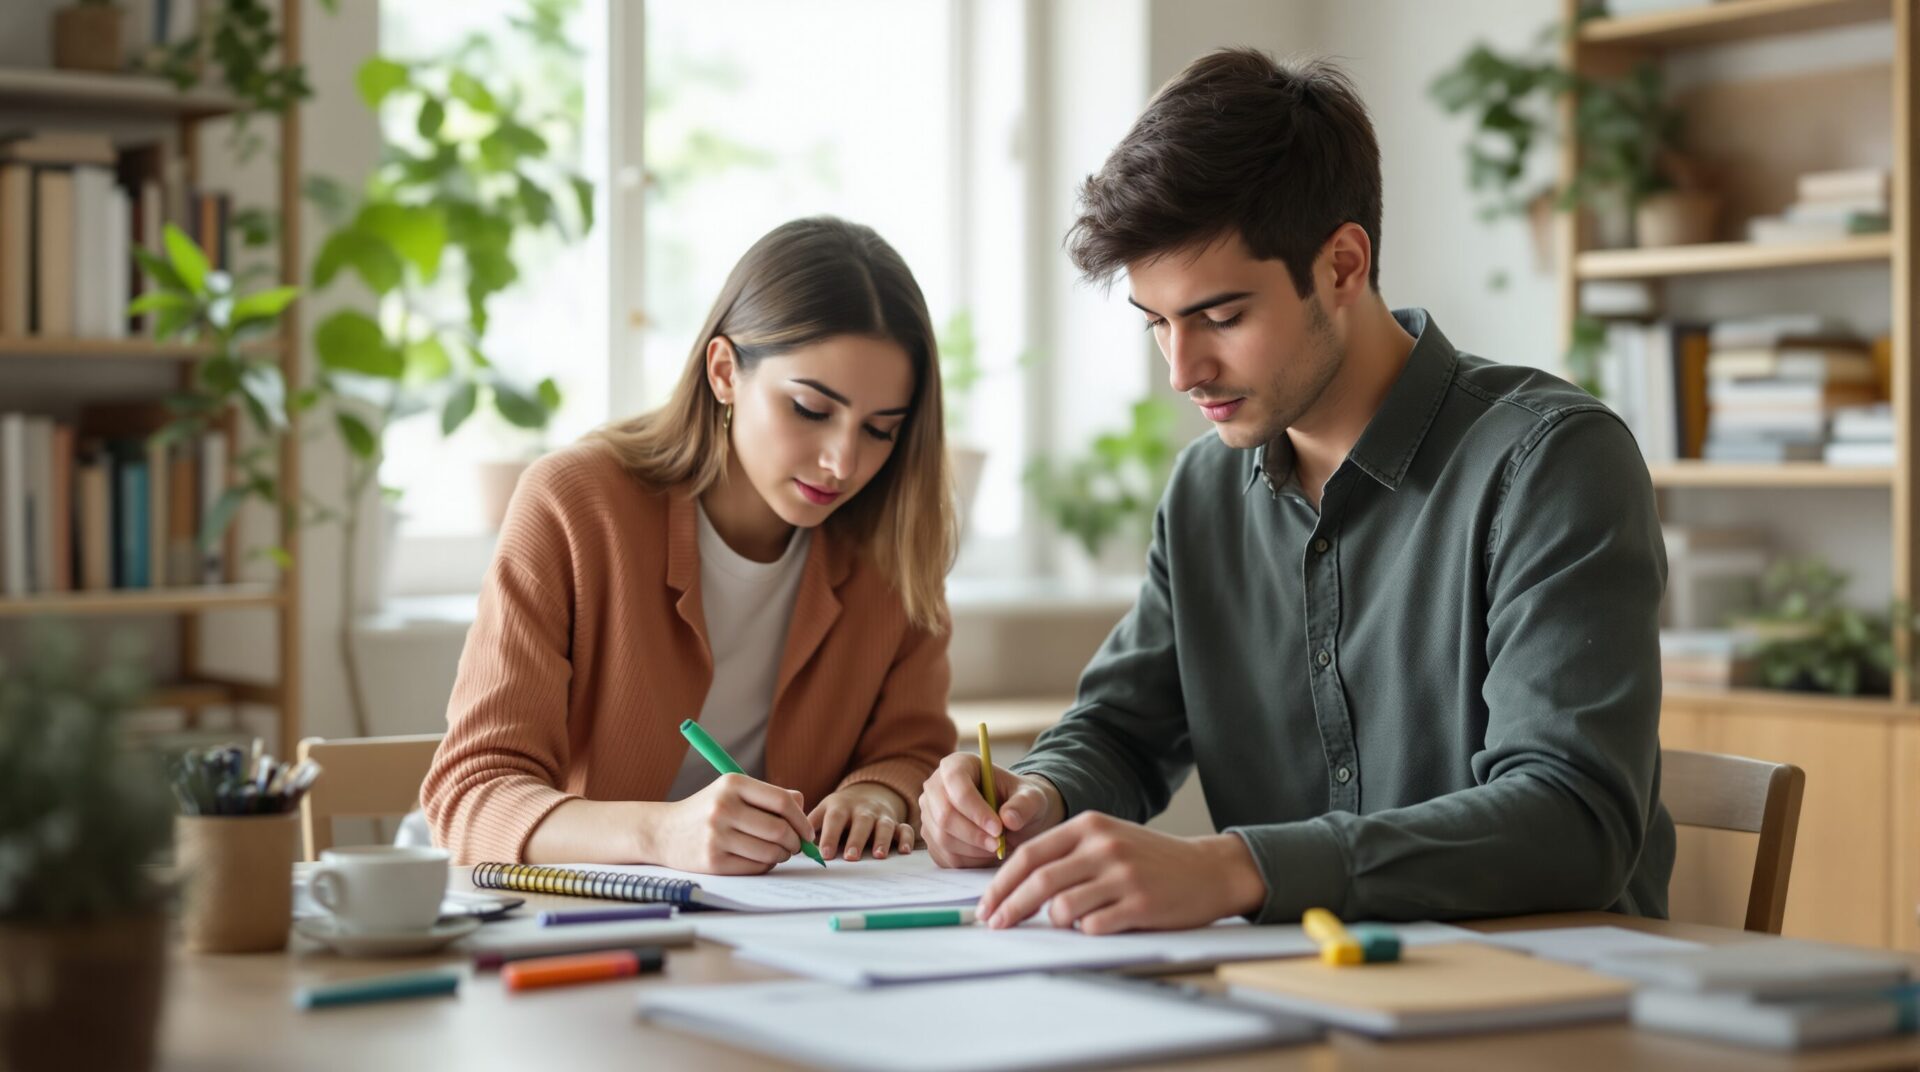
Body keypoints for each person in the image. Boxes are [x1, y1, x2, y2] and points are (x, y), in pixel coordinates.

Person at [919, 49, 1674, 932]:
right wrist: (1036, 794)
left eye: (1222, 316)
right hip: (1296, 999)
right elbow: (1124, 728)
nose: (1182, 370)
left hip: (1545, 1003)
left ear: (1343, 266)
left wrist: (1242, 868)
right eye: (1157, 322)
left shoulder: (1551, 463)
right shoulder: (1206, 489)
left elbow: (1573, 821)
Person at [424, 216, 958, 874]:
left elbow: (911, 751)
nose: (842, 463)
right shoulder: (575, 504)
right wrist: (658, 834)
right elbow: (471, 794)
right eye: (812, 411)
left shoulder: (892, 539)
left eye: (880, 430)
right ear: (725, 370)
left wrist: (878, 793)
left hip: (786, 933)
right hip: (588, 929)